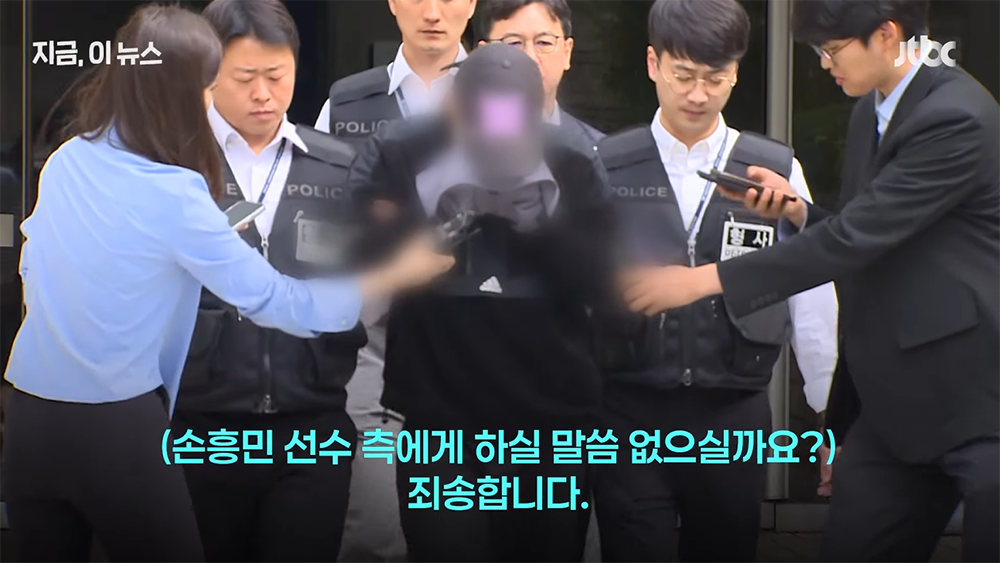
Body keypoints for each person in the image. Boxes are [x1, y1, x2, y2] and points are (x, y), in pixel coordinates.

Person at [0, 5, 453, 563]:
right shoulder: (179, 186)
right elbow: (274, 299)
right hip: (141, 422)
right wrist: (391, 276)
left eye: (276, 75)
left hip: (34, 418)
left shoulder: (68, 160)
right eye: (221, 83)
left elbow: (33, 268)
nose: (249, 96)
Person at [620, 0, 1000, 561]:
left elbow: (853, 241)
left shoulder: (956, 117)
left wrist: (701, 282)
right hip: (893, 410)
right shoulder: (871, 110)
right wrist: (797, 213)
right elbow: (869, 235)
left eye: (832, 49)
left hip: (975, 398)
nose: (824, 64)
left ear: (886, 35)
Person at [349, 43, 617, 563]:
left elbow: (604, 283)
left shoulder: (575, 161)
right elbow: (364, 253)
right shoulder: (405, 154)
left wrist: (541, 227)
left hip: (551, 422)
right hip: (439, 420)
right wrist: (436, 226)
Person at [589, 1, 838, 561]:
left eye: (715, 78)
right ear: (653, 64)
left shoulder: (773, 169)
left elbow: (811, 293)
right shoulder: (608, 163)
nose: (698, 94)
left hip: (734, 412)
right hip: (627, 411)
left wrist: (826, 410)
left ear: (736, 73)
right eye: (683, 76)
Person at [169, 1, 366, 562]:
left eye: (277, 76)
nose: (264, 94)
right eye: (245, 78)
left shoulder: (339, 166)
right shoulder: (174, 163)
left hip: (312, 427)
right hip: (199, 429)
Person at [316, 3, 475, 561]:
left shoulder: (500, 93)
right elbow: (319, 214)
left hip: (472, 345)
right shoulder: (346, 102)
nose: (433, 12)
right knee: (374, 526)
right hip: (371, 344)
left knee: (461, 530)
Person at [315, 0, 476, 141]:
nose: (432, 14)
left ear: (471, 4)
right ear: (392, 2)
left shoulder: (490, 94)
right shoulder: (345, 105)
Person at [476, 0, 604, 145]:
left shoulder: (597, 152)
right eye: (513, 43)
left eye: (543, 42)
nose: (530, 58)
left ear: (567, 52)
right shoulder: (458, 149)